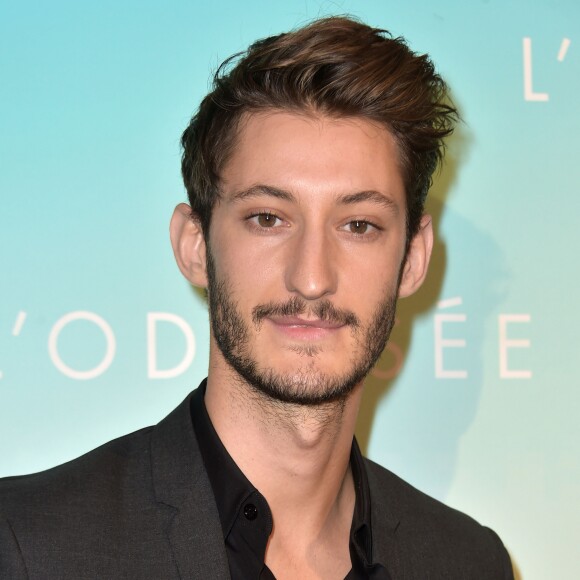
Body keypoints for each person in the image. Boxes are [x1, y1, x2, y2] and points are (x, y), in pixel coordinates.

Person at [0, 16, 514, 579]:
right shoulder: (28, 543)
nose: (312, 277)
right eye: (268, 218)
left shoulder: (469, 562)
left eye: (359, 225)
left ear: (413, 259)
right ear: (195, 245)